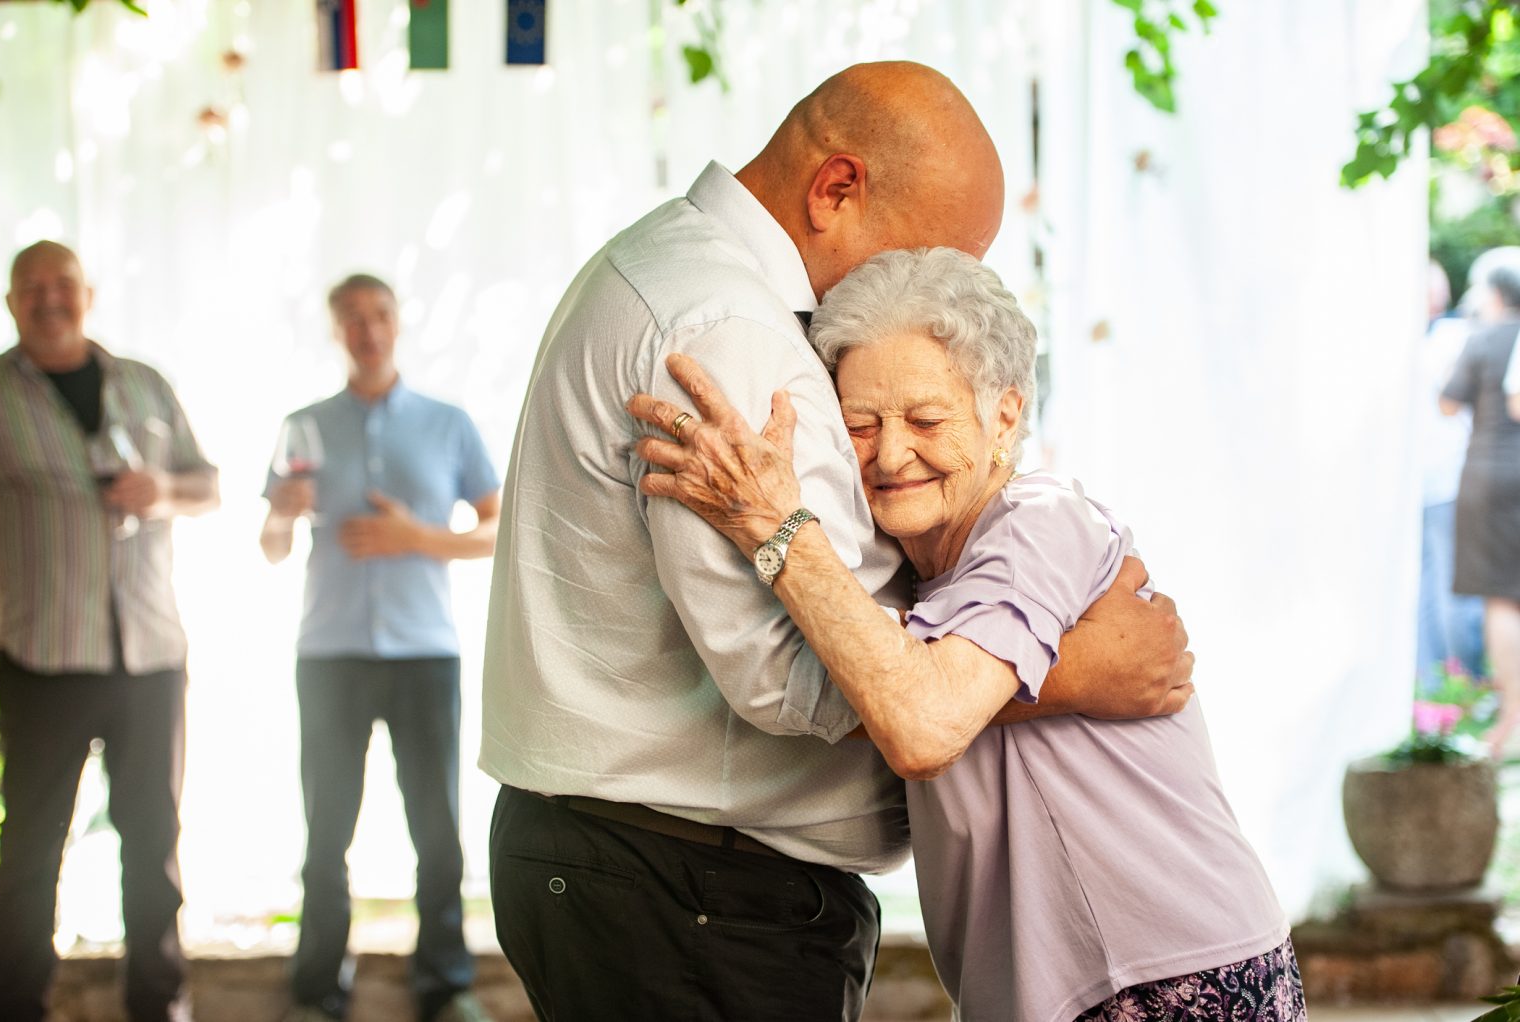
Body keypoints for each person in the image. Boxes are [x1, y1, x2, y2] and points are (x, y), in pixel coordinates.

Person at [481, 62, 1193, 1021]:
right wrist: (1070, 673)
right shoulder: (730, 330)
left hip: (668, 878)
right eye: (931, 257)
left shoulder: (675, 267)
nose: (933, 300)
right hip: (691, 889)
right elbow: (787, 669)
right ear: (837, 189)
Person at [628, 246, 1300, 1021]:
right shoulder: (913, 583)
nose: (889, 453)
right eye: (860, 424)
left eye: (926, 419)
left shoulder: (1040, 523)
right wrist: (1081, 672)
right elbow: (887, 697)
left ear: (1005, 415)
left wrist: (775, 522)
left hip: (1164, 974)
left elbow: (921, 724)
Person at [0, 240, 220, 1022]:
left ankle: (160, 1006)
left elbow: (208, 485)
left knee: (153, 846)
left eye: (63, 286)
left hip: (150, 657)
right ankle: (18, 1007)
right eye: (31, 288)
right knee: (30, 853)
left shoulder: (144, 383)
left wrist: (165, 491)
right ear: (11, 304)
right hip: (42, 658)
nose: (49, 300)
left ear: (87, 294)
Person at [261, 274, 502, 1022]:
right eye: (351, 320)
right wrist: (281, 515)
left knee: (436, 828)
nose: (367, 331)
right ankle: (316, 991)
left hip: (425, 654)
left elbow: (499, 529)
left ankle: (445, 987)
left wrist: (417, 538)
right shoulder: (302, 425)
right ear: (335, 332)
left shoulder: (449, 424)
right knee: (325, 829)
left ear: (398, 324)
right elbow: (270, 546)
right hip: (328, 654)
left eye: (379, 316)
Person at [1443, 253, 1520, 756]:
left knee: (1501, 599)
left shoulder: (1484, 338)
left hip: (1491, 477)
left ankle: (1510, 724)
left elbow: (1447, 402)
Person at [1417, 259, 1485, 691]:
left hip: (1437, 481)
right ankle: (1451, 680)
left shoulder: (1444, 338)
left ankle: (1451, 681)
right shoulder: (1449, 338)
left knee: (1441, 585)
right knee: (1441, 585)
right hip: (1435, 482)